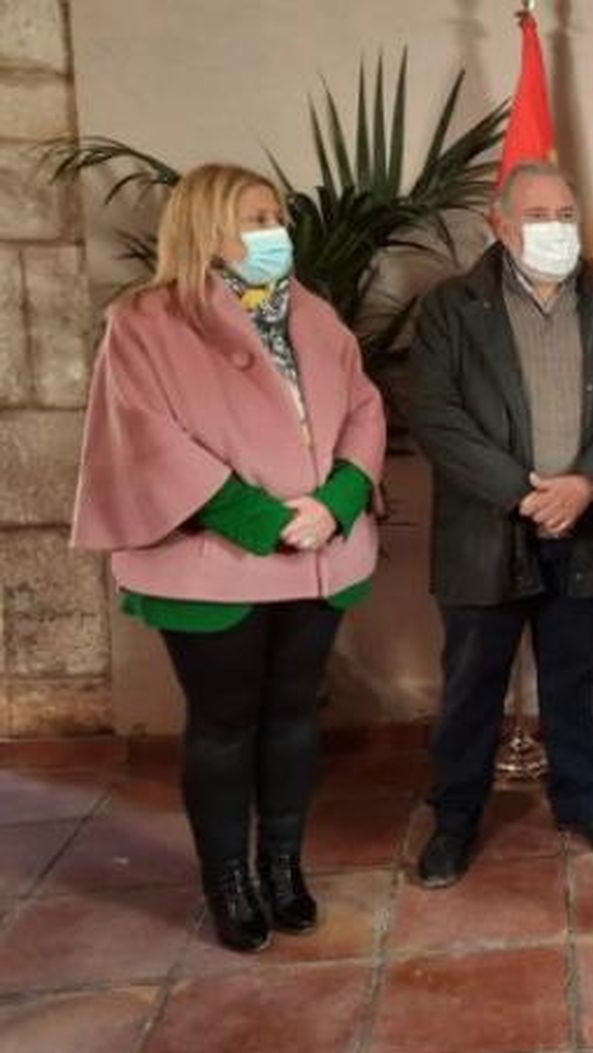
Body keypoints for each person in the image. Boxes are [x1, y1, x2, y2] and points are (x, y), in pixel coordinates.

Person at [71, 163, 385, 952]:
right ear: (206, 227)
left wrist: (338, 500)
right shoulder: (144, 321)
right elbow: (143, 436)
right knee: (221, 724)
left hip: (320, 554)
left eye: (276, 216)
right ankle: (229, 879)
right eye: (254, 217)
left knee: (291, 717)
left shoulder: (314, 314)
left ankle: (282, 866)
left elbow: (363, 408)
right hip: (213, 562)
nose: (274, 231)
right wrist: (259, 518)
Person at [408, 161, 593, 888]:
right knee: (472, 684)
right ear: (500, 224)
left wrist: (585, 484)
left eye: (566, 213)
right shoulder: (452, 308)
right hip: (489, 530)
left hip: (585, 526)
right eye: (539, 215)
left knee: (572, 677)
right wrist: (525, 495)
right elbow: (437, 417)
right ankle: (455, 819)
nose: (556, 228)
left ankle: (581, 800)